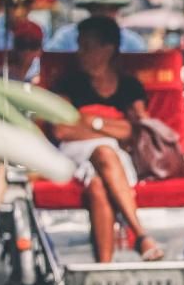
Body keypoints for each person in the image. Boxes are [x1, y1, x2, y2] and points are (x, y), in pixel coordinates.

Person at [48, 16, 164, 262]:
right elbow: (62, 131)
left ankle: (104, 270)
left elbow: (133, 130)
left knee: (99, 186)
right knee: (104, 151)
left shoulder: (129, 86)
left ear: (108, 49)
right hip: (75, 155)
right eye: (80, 46)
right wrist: (111, 127)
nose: (80, 53)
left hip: (116, 160)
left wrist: (89, 121)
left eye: (87, 46)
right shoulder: (68, 83)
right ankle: (141, 234)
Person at [0, 20, 43, 221]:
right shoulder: (0, 77)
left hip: (36, 138)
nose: (27, 52)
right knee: (4, 165)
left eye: (32, 46)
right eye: (23, 45)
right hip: (5, 135)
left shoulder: (42, 78)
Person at [44, 0, 147, 53]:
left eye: (111, 8)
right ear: (90, 8)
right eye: (99, 8)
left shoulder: (133, 43)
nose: (104, 14)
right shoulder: (66, 37)